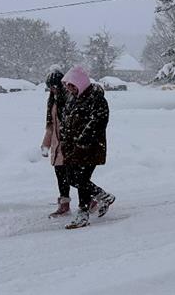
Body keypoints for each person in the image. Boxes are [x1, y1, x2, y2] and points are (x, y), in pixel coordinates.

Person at [59, 66, 116, 229]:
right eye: (67, 85)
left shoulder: (96, 98)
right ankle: (103, 196)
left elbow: (98, 122)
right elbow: (66, 120)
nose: (69, 88)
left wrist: (83, 140)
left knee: (81, 179)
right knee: (73, 178)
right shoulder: (73, 99)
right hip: (73, 147)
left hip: (90, 148)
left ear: (80, 83)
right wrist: (64, 138)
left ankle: (83, 213)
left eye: (72, 85)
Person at [41, 66, 74, 218]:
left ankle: (93, 197)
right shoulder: (52, 101)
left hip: (68, 145)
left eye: (54, 86)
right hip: (57, 146)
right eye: (50, 87)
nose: (52, 90)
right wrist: (45, 145)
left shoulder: (69, 99)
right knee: (61, 176)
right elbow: (51, 126)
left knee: (74, 177)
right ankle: (64, 204)